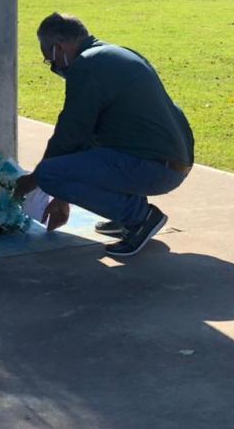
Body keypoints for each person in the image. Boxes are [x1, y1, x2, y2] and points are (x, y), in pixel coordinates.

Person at [14, 13, 194, 257]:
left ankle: (139, 218)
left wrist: (33, 180)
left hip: (154, 168)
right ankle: (124, 213)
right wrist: (62, 196)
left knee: (48, 173)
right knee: (80, 156)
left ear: (59, 48)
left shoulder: (87, 66)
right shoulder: (112, 54)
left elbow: (70, 133)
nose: (55, 68)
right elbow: (85, 139)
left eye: (51, 61)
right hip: (168, 162)